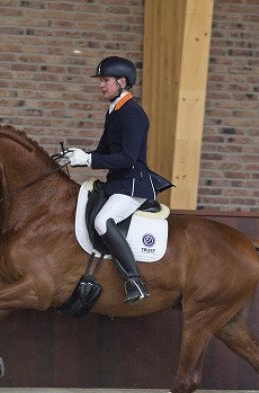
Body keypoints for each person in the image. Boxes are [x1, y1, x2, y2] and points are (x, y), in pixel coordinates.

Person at [65, 56, 156, 304]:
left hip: (133, 185)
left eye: (105, 80)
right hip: (118, 183)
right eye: (101, 80)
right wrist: (76, 157)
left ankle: (135, 281)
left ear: (121, 81)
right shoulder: (114, 111)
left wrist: (89, 161)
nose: (101, 85)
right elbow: (104, 153)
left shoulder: (132, 114)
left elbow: (127, 158)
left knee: (103, 221)